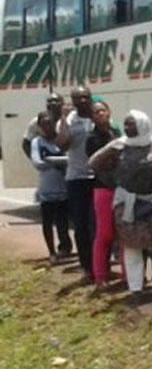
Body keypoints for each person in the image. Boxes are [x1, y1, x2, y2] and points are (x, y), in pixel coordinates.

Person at [90, 111, 152, 299]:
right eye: (126, 125)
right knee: (131, 246)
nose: (128, 128)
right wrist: (114, 180)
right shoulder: (118, 146)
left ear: (143, 125)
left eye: (132, 124)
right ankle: (135, 287)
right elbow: (93, 163)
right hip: (127, 203)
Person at [56, 85, 96, 282]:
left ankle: (100, 266)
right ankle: (87, 267)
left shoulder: (98, 116)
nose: (82, 101)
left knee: (97, 225)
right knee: (81, 225)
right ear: (72, 100)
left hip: (98, 178)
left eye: (86, 97)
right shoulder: (69, 121)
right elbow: (62, 144)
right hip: (77, 179)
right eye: (78, 98)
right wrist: (63, 118)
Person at [86, 100, 123, 290]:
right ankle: (100, 277)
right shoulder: (92, 139)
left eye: (102, 110)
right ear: (91, 116)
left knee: (124, 233)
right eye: (96, 112)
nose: (100, 114)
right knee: (105, 233)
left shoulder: (118, 133)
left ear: (109, 112)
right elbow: (99, 166)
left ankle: (128, 276)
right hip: (104, 188)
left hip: (122, 188)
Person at [30, 111, 71, 265]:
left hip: (64, 186)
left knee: (63, 221)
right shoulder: (37, 142)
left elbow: (70, 158)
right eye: (44, 124)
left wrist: (50, 160)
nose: (48, 127)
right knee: (47, 222)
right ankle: (51, 251)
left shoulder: (60, 140)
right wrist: (59, 161)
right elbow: (37, 163)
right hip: (47, 188)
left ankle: (65, 248)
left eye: (50, 123)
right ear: (40, 126)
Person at [22, 93, 64, 158]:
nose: (53, 103)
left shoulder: (69, 119)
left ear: (62, 103)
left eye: (56, 101)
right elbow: (26, 143)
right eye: (49, 101)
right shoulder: (36, 122)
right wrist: (35, 159)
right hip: (46, 158)